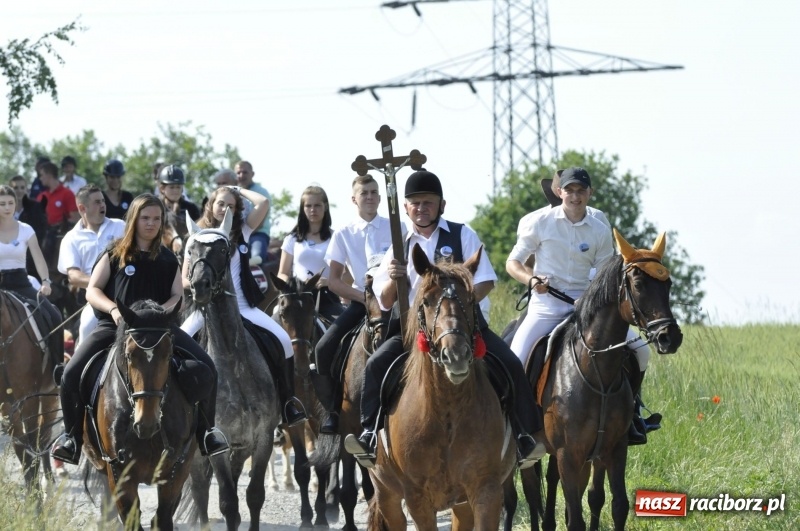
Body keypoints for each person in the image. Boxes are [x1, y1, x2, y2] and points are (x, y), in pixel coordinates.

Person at [343, 170, 546, 469]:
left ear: (442, 205)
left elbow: (486, 281)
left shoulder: (463, 234)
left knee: (510, 364)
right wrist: (394, 277)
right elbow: (384, 301)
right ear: (406, 208)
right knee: (374, 367)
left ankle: (525, 436)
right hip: (411, 329)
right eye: (415, 203)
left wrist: (459, 310)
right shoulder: (398, 245)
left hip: (465, 326)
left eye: (428, 202)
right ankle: (370, 434)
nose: (421, 208)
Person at [50, 194, 229, 465]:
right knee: (71, 373)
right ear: (134, 219)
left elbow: (177, 297)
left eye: (156, 219)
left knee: (208, 368)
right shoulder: (114, 253)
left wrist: (160, 313)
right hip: (115, 327)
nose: (151, 223)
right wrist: (113, 310)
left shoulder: (168, 258)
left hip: (160, 330)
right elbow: (93, 290)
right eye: (145, 218)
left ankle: (207, 433)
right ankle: (71, 438)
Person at [505, 167, 654, 444]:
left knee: (642, 350)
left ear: (590, 193)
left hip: (586, 306)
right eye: (570, 190)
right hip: (546, 306)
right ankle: (516, 428)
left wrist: (592, 297)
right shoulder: (540, 222)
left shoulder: (599, 229)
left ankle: (633, 415)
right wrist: (531, 279)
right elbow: (512, 263)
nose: (575, 196)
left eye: (581, 190)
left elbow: (606, 273)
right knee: (516, 358)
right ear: (559, 192)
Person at [180, 186, 307, 427]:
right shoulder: (195, 237)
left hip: (243, 306)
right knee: (179, 342)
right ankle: (179, 406)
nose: (224, 208)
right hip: (206, 309)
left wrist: (236, 189)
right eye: (220, 203)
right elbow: (183, 279)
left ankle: (288, 402)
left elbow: (264, 202)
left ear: (237, 210)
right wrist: (199, 283)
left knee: (283, 339)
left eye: (231, 205)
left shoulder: (243, 231)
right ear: (210, 205)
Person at [311, 174, 391, 435]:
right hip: (361, 301)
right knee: (323, 348)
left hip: (395, 300)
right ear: (354, 199)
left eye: (374, 192)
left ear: (380, 197)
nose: (369, 197)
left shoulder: (398, 227)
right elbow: (334, 281)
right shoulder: (343, 234)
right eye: (364, 193)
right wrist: (364, 299)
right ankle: (334, 411)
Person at [0, 185, 65, 380]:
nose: (7, 207)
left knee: (54, 315)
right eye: (2, 204)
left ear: (16, 204)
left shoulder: (26, 229)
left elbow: (39, 258)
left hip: (21, 283)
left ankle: (57, 367)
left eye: (10, 203)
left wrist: (45, 281)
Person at [58, 185, 125, 345]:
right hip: (93, 299)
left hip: (126, 292)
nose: (103, 205)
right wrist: (102, 282)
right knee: (86, 329)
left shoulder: (121, 227)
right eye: (97, 202)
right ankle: (78, 361)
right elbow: (74, 277)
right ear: (82, 208)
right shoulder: (71, 238)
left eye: (103, 201)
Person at [277, 185, 342, 322]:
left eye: (317, 205)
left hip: (327, 298)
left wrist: (329, 282)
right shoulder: (291, 239)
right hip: (296, 299)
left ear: (325, 207)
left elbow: (347, 275)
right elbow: (282, 273)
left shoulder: (336, 237)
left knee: (343, 328)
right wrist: (296, 284)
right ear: (303, 208)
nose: (313, 209)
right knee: (273, 325)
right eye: (308, 206)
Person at [37, 160, 79, 268]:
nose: (40, 178)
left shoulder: (67, 193)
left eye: (42, 175)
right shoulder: (42, 196)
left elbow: (75, 217)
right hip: (44, 232)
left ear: (49, 174)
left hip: (61, 234)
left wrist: (60, 225)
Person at [9, 175, 48, 280]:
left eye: (22, 187)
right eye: (15, 188)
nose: (19, 191)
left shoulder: (35, 208)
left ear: (27, 189)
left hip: (30, 256)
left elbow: (39, 232)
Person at [234, 161, 271, 264]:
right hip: (237, 236)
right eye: (238, 173)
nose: (241, 175)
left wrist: (241, 235)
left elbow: (260, 223)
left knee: (257, 259)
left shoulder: (261, 192)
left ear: (252, 174)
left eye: (245, 172)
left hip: (258, 234)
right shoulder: (232, 193)